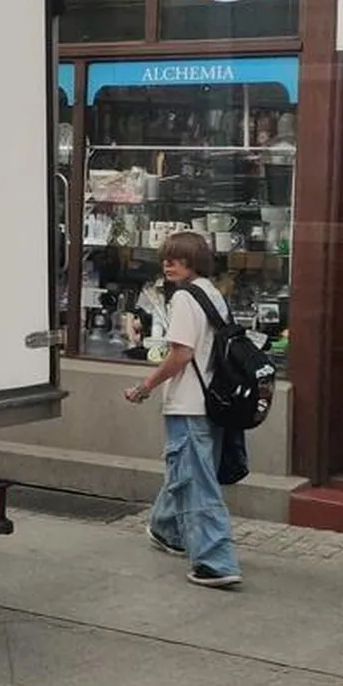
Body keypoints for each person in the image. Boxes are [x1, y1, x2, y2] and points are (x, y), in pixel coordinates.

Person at [122, 231, 242, 590]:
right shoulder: (212, 292)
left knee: (196, 482)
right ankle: (166, 528)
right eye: (166, 259)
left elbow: (180, 354)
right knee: (185, 472)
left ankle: (216, 561)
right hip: (213, 403)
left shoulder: (185, 299)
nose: (169, 265)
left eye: (178, 259)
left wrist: (146, 386)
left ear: (194, 262)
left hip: (189, 402)